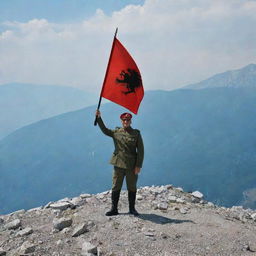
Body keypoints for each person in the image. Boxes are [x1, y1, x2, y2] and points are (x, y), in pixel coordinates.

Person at [95, 110, 144, 216]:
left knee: (132, 187)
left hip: (132, 166)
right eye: (124, 120)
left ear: (131, 121)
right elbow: (105, 130)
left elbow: (141, 150)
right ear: (121, 121)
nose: (126, 121)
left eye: (128, 120)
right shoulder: (116, 132)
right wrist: (99, 118)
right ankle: (114, 209)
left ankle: (132, 209)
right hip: (118, 164)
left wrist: (138, 165)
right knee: (116, 186)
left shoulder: (136, 134)